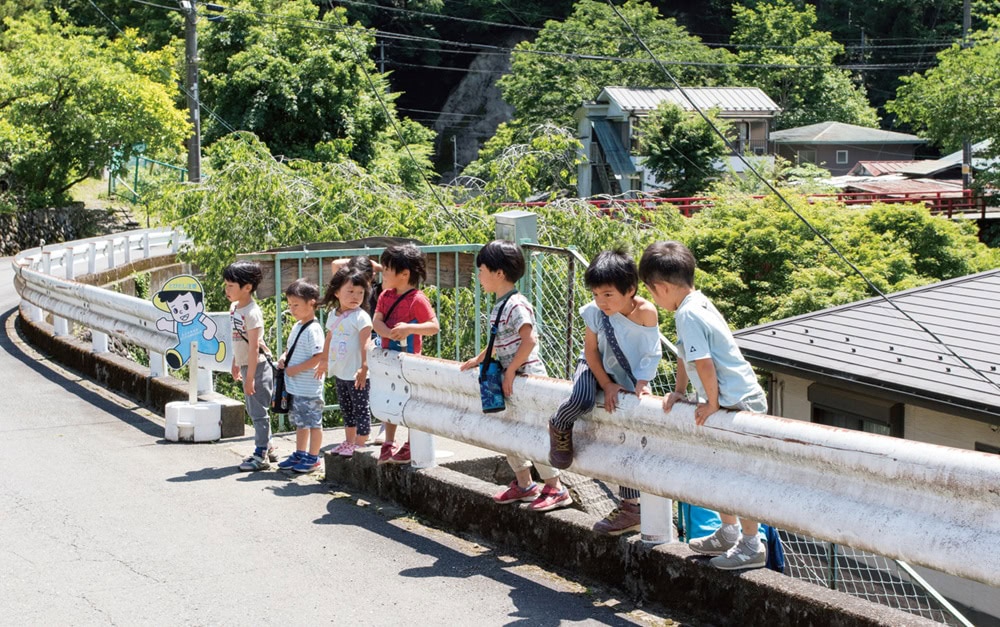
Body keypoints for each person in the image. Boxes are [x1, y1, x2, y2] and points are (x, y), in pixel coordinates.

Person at [639, 240, 769, 571]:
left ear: (663, 287)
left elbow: (704, 361)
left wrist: (710, 402)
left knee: (740, 477)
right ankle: (729, 532)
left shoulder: (688, 313)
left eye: (653, 292)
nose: (655, 298)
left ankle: (752, 545)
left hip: (738, 405)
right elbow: (686, 353)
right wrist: (680, 390)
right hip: (730, 402)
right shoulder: (696, 303)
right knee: (719, 471)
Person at [547, 249, 661, 534]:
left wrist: (642, 383)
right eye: (596, 294)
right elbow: (590, 352)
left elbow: (651, 353)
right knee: (582, 397)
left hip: (629, 378)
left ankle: (630, 507)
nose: (601, 301)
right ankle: (560, 423)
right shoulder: (595, 313)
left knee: (629, 440)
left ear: (630, 289)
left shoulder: (646, 312)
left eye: (608, 294)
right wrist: (607, 384)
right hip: (596, 367)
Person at [459, 241, 572, 512]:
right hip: (513, 378)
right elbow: (500, 339)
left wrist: (510, 370)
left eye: (482, 269)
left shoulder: (516, 303)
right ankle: (524, 483)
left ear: (499, 273)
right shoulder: (501, 304)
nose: (479, 275)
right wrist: (480, 358)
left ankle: (555, 488)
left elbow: (529, 339)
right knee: (508, 431)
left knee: (533, 434)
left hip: (527, 377)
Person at [371, 243, 440, 465]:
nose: (384, 273)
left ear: (404, 274)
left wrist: (409, 329)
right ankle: (389, 443)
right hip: (389, 358)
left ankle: (410, 445)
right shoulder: (385, 295)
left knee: (409, 401)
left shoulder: (417, 299)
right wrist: (389, 334)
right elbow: (377, 320)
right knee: (390, 398)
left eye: (388, 269)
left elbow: (433, 326)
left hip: (410, 360)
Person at [223, 261, 277, 471]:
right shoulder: (235, 308)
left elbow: (254, 347)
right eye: (226, 285)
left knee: (258, 412)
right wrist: (236, 363)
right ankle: (268, 446)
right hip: (246, 365)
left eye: (231, 286)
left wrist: (250, 377)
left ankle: (260, 454)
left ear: (247, 287)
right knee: (254, 408)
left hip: (258, 367)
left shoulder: (252, 313)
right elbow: (239, 339)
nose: (227, 290)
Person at [319, 266, 373, 458]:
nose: (355, 296)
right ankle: (349, 441)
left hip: (356, 372)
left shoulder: (361, 317)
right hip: (340, 370)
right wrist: (324, 360)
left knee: (361, 407)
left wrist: (364, 368)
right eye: (350, 291)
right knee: (347, 408)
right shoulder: (334, 314)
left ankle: (360, 443)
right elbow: (329, 337)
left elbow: (366, 343)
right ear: (336, 292)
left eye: (360, 292)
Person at [274, 279, 327, 474]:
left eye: (296, 305)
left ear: (311, 303)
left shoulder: (314, 329)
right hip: (296, 386)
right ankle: (300, 453)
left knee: (313, 423)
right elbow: (291, 349)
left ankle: (313, 458)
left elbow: (319, 356)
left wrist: (296, 369)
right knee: (300, 422)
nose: (292, 309)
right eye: (290, 305)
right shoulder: (298, 326)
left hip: (309, 387)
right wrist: (284, 358)